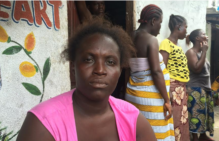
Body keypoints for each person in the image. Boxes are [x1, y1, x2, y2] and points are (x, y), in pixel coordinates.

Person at [16, 18, 157, 141]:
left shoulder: (133, 120)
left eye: (110, 62)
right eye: (89, 59)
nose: (100, 70)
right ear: (73, 67)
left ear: (119, 71)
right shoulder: (43, 123)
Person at [125, 4, 174, 141]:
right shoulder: (151, 40)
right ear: (153, 21)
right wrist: (166, 100)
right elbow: (156, 72)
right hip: (150, 97)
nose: (160, 27)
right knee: (154, 132)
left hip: (133, 92)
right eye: (160, 22)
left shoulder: (129, 36)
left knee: (139, 132)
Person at [159, 14, 190, 141]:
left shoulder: (178, 46)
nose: (186, 31)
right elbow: (162, 68)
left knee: (181, 122)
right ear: (179, 27)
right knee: (175, 122)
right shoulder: (166, 43)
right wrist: (167, 92)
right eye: (185, 27)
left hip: (181, 90)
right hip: (173, 89)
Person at [185, 29, 214, 141]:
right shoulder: (191, 52)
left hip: (205, 88)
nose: (206, 36)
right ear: (197, 38)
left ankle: (203, 136)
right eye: (203, 34)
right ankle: (195, 138)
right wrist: (204, 52)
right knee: (196, 114)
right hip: (195, 88)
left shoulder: (201, 52)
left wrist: (203, 52)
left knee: (204, 114)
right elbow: (197, 69)